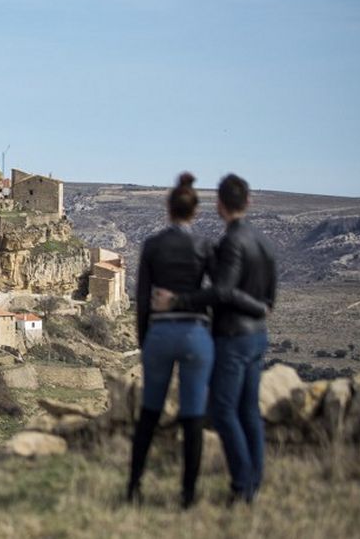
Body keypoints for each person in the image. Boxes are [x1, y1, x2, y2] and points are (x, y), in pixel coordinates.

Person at [128, 173, 266, 508]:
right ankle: (188, 496)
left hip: (160, 333)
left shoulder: (152, 245)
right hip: (196, 337)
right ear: (196, 212)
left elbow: (143, 300)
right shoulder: (205, 246)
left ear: (168, 209)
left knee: (149, 413)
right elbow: (221, 292)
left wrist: (147, 342)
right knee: (192, 418)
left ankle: (133, 488)